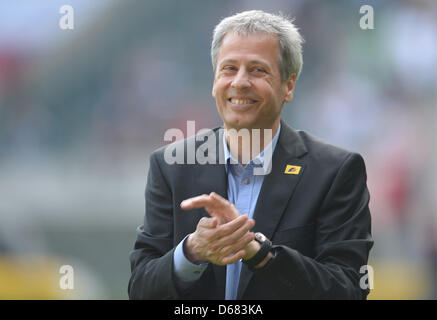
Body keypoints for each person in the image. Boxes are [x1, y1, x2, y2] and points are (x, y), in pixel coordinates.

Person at [128, 10, 373, 300]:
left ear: (289, 85)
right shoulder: (170, 166)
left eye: (257, 70)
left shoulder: (336, 172)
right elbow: (140, 288)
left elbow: (348, 290)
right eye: (229, 68)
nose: (240, 82)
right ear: (214, 80)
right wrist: (192, 251)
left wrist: (260, 254)